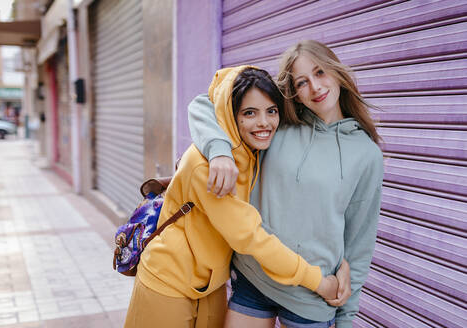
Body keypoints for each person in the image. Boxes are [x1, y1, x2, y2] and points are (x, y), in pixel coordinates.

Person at [124, 65, 347, 328]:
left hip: (211, 284)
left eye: (271, 111)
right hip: (167, 278)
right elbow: (250, 237)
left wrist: (336, 258)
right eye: (249, 113)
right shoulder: (206, 167)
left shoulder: (254, 151)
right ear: (231, 115)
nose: (263, 123)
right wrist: (318, 281)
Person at [188, 40, 383, 328]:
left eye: (320, 73)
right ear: (294, 92)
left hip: (312, 295)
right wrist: (219, 150)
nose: (315, 87)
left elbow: (359, 242)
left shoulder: (367, 154)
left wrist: (345, 319)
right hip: (254, 280)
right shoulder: (276, 123)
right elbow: (204, 103)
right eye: (302, 82)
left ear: (336, 71)